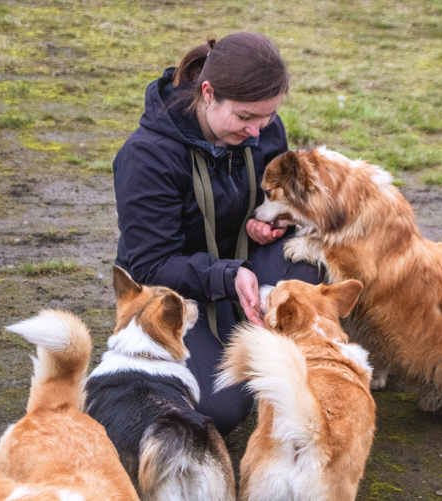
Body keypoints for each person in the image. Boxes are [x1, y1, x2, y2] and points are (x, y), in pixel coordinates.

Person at [112, 33, 322, 436]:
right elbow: (151, 264)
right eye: (245, 118)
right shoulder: (147, 157)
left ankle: (283, 357)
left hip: (242, 267)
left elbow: (276, 194)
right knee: (219, 409)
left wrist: (271, 223)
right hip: (179, 288)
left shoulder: (262, 128)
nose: (258, 131)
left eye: (268, 116)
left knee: (312, 271)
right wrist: (227, 276)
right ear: (208, 93)